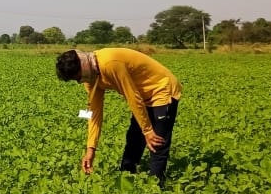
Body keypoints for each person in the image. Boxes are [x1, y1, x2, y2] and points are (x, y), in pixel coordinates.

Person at [56, 48, 181, 184]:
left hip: (161, 89)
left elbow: (132, 96)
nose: (79, 82)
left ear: (82, 66)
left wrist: (148, 130)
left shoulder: (110, 63)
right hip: (142, 95)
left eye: (77, 77)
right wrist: (90, 149)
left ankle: (156, 187)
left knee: (157, 142)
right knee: (134, 137)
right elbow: (94, 113)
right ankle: (125, 180)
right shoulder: (90, 76)